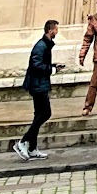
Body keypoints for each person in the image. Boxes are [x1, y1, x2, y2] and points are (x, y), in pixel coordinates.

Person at [13, 19, 63, 161]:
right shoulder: (41, 46)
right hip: (37, 85)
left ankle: (32, 148)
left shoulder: (45, 45)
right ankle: (23, 141)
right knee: (46, 113)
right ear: (50, 30)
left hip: (40, 84)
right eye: (56, 29)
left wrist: (54, 66)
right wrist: (52, 69)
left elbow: (41, 63)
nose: (57, 32)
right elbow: (36, 65)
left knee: (38, 116)